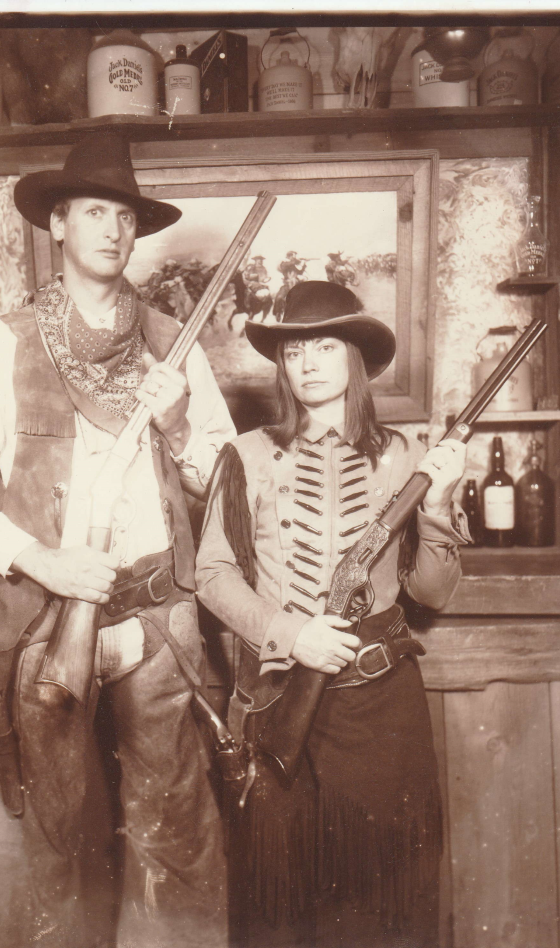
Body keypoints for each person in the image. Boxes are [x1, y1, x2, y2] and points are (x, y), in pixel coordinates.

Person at [0, 133, 235, 948]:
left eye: (124, 215)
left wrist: (181, 422)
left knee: (176, 834)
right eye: (94, 211)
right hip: (44, 617)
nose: (112, 230)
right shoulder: (2, 345)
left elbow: (225, 487)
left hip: (158, 620)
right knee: (40, 840)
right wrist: (42, 559)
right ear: (58, 223)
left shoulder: (175, 341)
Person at [195, 281, 470, 948]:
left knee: (386, 905)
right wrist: (292, 633)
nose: (309, 362)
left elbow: (433, 595)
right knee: (280, 905)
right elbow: (211, 574)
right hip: (282, 694)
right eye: (293, 351)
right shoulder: (246, 456)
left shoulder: (406, 456)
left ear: (353, 357)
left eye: (325, 346)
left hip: (382, 705)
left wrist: (438, 506)